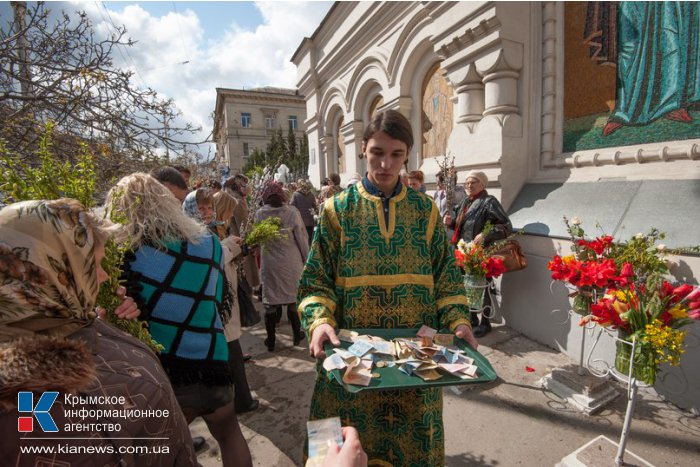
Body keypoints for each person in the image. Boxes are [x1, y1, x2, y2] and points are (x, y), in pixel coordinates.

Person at [298, 109, 477, 465]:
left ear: (406, 155)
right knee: (336, 451)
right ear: (363, 149)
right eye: (378, 152)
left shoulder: (424, 211)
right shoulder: (336, 211)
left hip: (415, 362)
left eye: (396, 154)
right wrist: (319, 322)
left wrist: (459, 320)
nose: (385, 164)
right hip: (351, 363)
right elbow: (315, 280)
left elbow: (446, 275)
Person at [0, 199, 196, 465]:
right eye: (93, 266)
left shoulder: (64, 325)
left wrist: (105, 327)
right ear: (51, 274)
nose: (103, 277)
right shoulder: (37, 400)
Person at [106, 173, 252, 467]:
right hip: (213, 359)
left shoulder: (128, 255)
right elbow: (218, 296)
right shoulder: (209, 241)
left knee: (176, 452)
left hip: (168, 373)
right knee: (230, 434)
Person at [442, 170, 512, 337]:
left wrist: (485, 234)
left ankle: (485, 322)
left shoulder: (489, 202)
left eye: (474, 182)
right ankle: (472, 318)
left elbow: (506, 226)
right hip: (463, 252)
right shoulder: (466, 201)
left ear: (483, 184)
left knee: (483, 287)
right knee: (467, 286)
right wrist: (450, 223)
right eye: (467, 183)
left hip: (480, 252)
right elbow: (460, 226)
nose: (469, 185)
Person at [213, 190, 259, 414]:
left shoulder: (221, 228)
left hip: (227, 294)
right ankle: (242, 400)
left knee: (234, 350)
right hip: (222, 299)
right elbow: (216, 258)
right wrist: (232, 247)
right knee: (232, 352)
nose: (231, 215)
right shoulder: (210, 231)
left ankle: (241, 397)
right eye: (229, 210)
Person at [255, 181, 309, 351]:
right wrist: (307, 258)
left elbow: (257, 238)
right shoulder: (291, 212)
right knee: (293, 300)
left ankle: (271, 341)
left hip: (270, 262)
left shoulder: (260, 214)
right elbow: (301, 237)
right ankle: (296, 335)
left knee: (271, 302)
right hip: (291, 261)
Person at [433, 171, 467, 240]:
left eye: (439, 182)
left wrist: (449, 189)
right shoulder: (437, 193)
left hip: (450, 231)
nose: (437, 184)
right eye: (436, 181)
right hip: (438, 231)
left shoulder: (459, 192)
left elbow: (457, 198)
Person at [290, 178, 318, 246]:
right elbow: (314, 207)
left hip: (300, 220)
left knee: (302, 241)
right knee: (310, 239)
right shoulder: (311, 194)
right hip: (310, 220)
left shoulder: (295, 194)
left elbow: (292, 206)